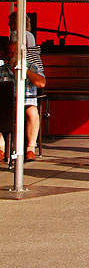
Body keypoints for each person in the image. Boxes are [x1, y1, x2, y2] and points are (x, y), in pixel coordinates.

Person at [2, 14, 46, 162]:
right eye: (10, 53)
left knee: (32, 112)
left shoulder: (30, 66)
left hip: (26, 101)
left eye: (15, 53)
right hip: (6, 105)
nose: (12, 55)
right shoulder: (2, 69)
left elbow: (41, 83)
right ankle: (1, 148)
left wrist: (25, 71)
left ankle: (30, 149)